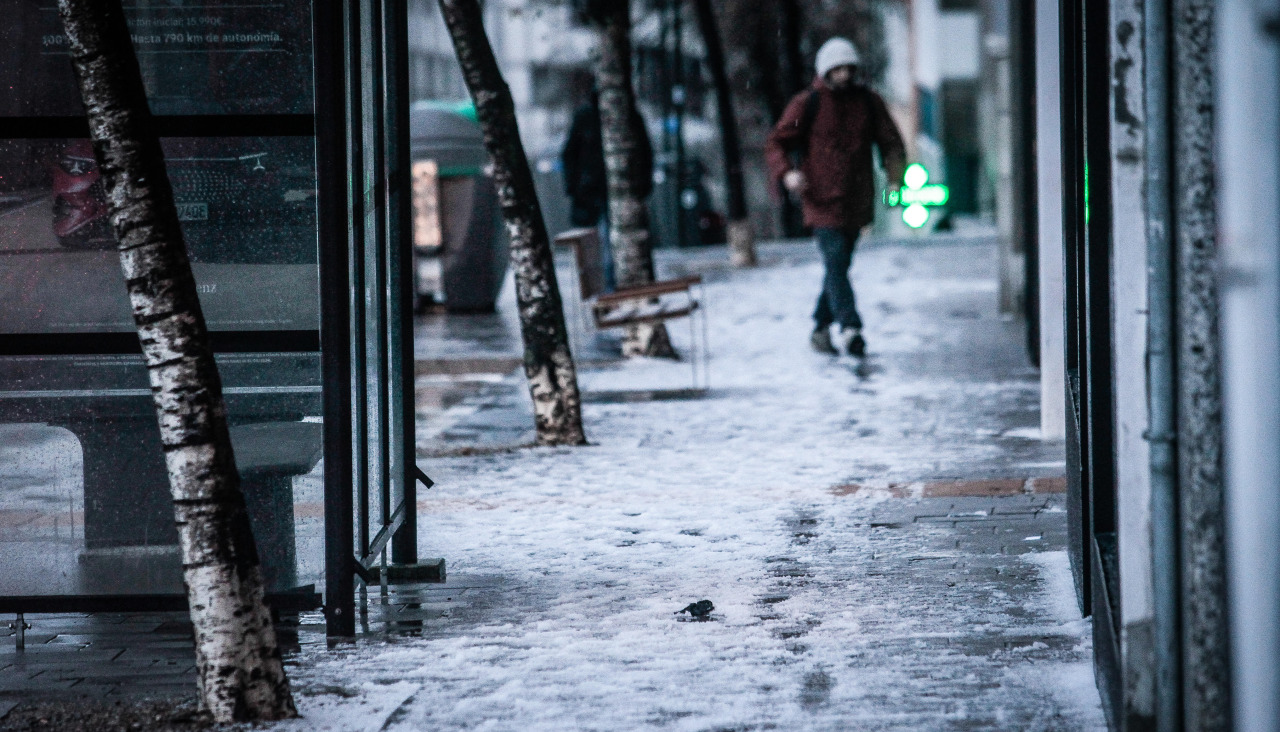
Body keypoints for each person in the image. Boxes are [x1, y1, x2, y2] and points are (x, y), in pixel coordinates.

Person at [765, 37, 906, 357]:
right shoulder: (807, 104)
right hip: (820, 199)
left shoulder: (869, 103)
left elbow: (891, 143)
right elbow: (777, 142)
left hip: (857, 200)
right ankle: (851, 326)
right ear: (825, 71)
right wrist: (788, 173)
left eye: (848, 69)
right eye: (837, 69)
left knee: (838, 265)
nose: (843, 75)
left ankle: (819, 328)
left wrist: (895, 180)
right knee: (836, 260)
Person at [561, 89, 655, 292]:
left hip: (613, 191)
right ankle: (613, 288)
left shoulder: (624, 116)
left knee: (614, 243)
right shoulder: (589, 117)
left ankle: (616, 288)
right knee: (606, 244)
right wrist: (574, 188)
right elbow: (569, 154)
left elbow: (646, 153)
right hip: (595, 193)